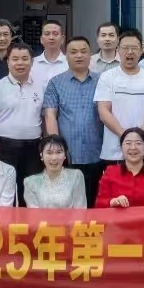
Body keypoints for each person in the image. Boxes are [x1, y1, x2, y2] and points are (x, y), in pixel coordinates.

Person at [44, 36, 104, 205]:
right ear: (66, 56)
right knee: (66, 203)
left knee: (94, 202)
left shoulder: (103, 81)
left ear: (90, 55)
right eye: (73, 52)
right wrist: (57, 149)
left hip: (97, 153)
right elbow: (50, 115)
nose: (79, 55)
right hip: (69, 154)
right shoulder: (55, 83)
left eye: (83, 51)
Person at [0, 42, 44, 204]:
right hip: (5, 146)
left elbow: (45, 118)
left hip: (33, 147)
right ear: (8, 61)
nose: (20, 63)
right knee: (4, 190)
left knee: (31, 190)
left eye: (25, 58)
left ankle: (28, 220)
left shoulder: (41, 86)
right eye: (15, 59)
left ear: (32, 62)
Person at [96, 30, 144, 164]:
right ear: (118, 50)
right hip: (114, 153)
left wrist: (138, 138)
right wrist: (125, 136)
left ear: (141, 50)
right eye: (125, 48)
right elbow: (103, 112)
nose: (130, 52)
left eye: (134, 48)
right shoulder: (107, 77)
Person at [96, 128, 144, 208]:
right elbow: (99, 205)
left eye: (138, 143)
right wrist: (112, 202)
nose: (133, 147)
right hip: (116, 216)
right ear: (121, 148)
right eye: (128, 143)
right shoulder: (110, 172)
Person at [23, 135, 88, 209]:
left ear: (65, 155)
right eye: (49, 153)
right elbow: (33, 212)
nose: (54, 158)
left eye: (58, 152)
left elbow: (80, 210)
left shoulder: (76, 176)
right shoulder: (30, 182)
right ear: (41, 156)